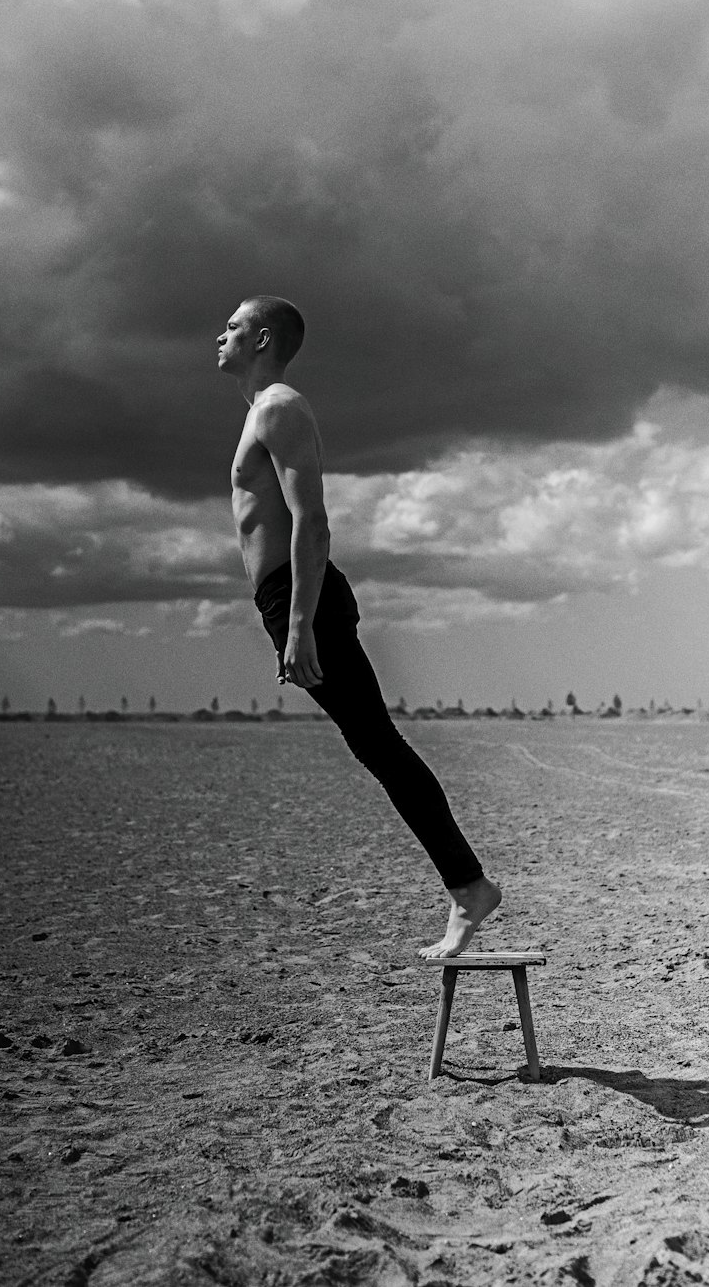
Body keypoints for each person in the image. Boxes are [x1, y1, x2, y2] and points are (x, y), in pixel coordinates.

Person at [217, 295, 501, 958]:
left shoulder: (280, 408)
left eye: (233, 327)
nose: (219, 336)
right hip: (288, 598)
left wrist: (300, 627)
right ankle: (468, 886)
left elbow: (311, 522)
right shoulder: (262, 411)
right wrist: (286, 621)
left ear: (263, 340)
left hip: (301, 598)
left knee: (378, 743)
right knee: (375, 743)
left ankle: (469, 887)